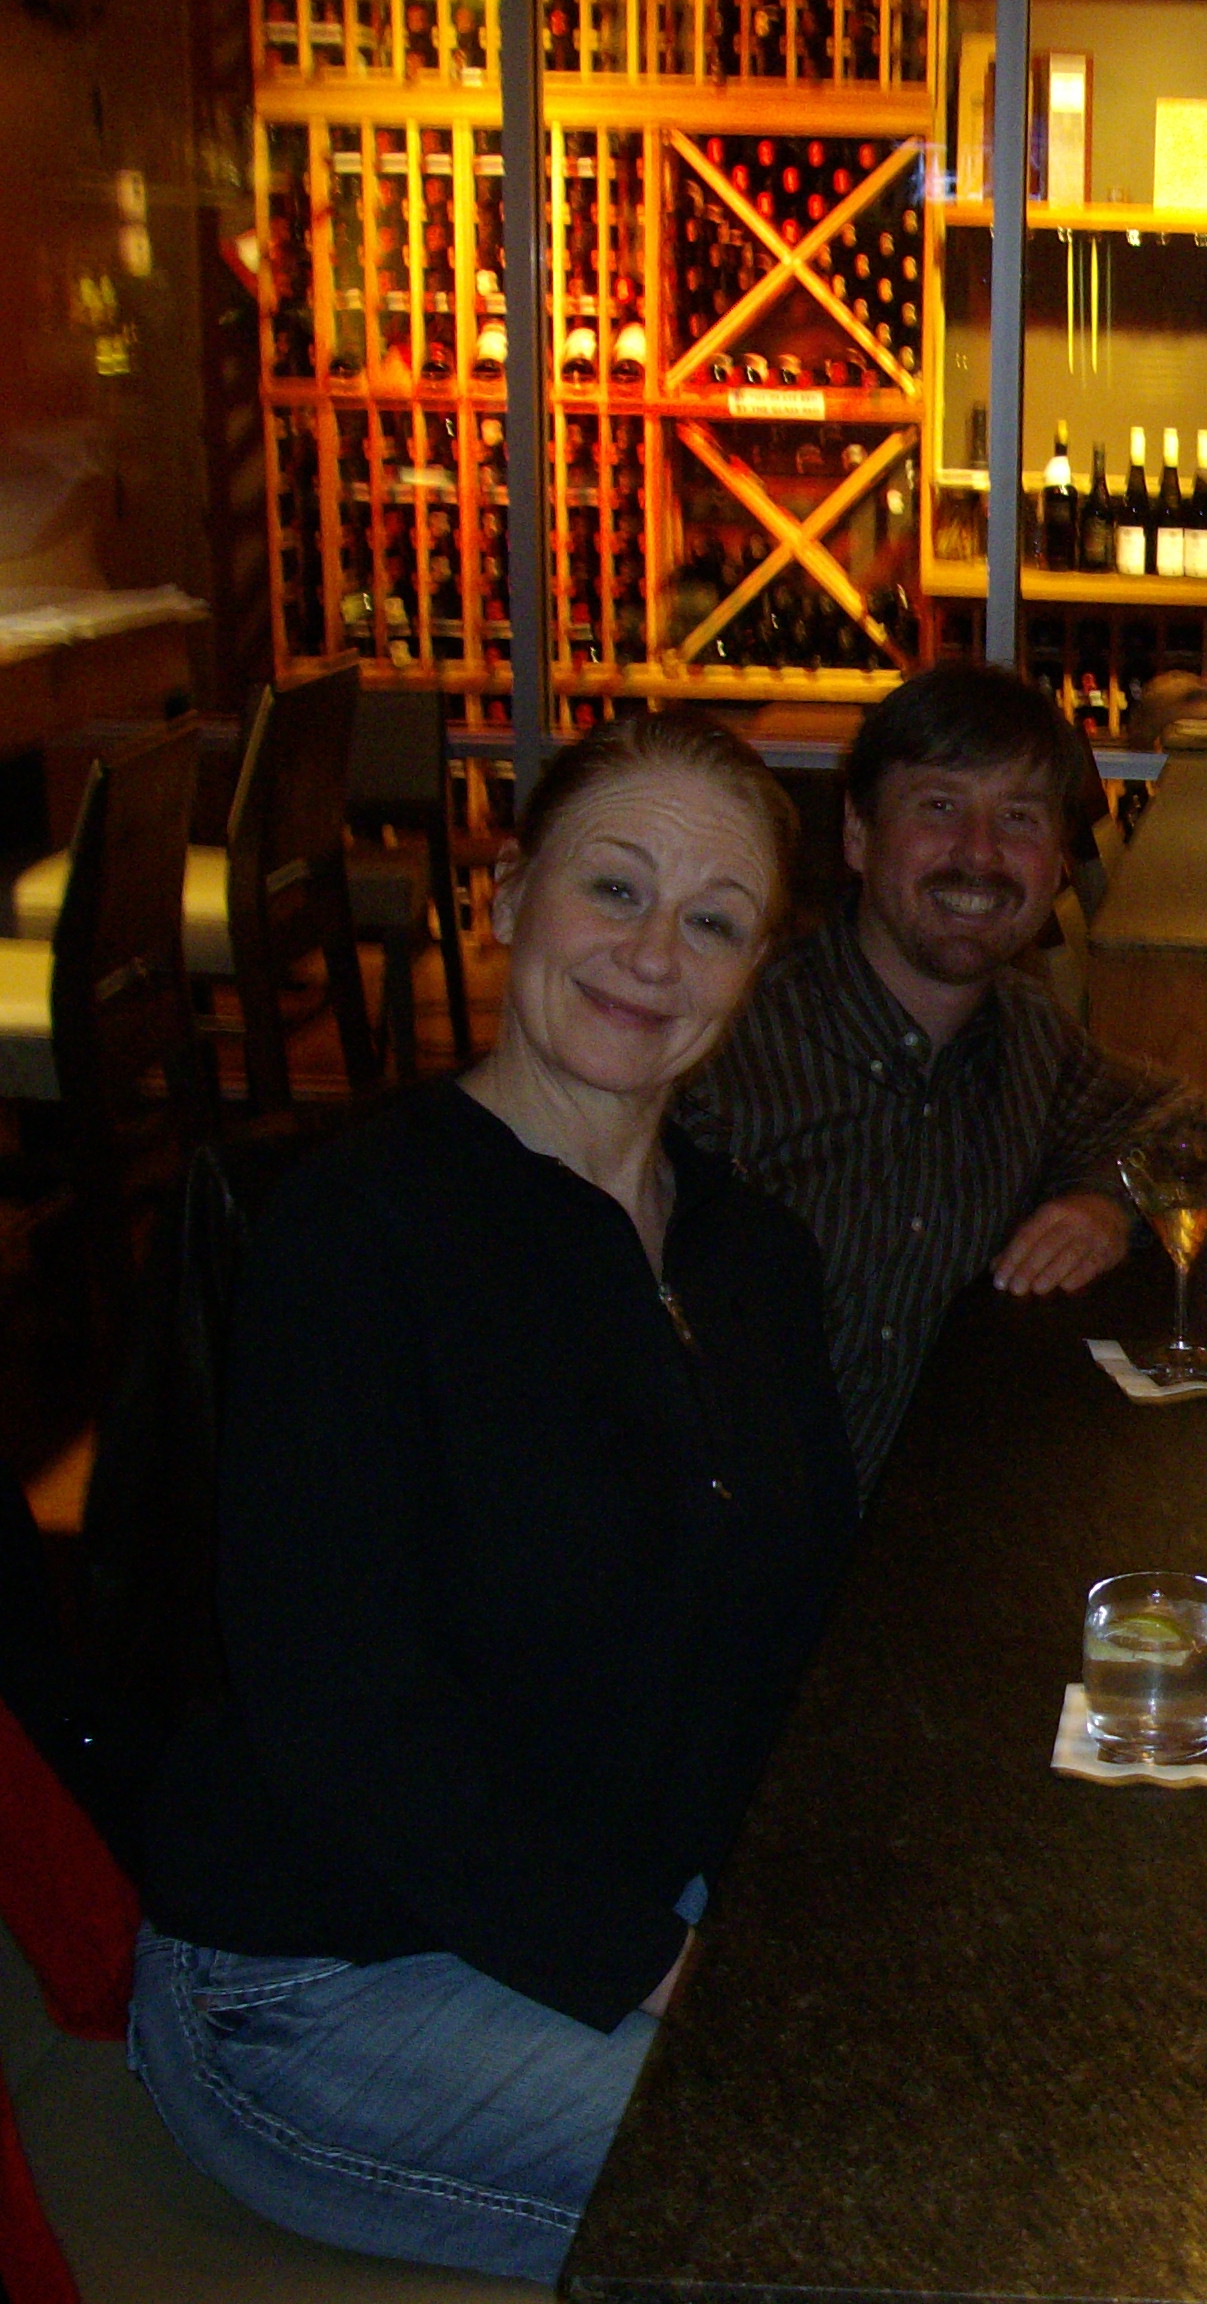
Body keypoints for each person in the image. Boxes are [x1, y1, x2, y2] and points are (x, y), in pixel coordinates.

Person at [127, 712, 860, 2282]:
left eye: (714, 922)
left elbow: (796, 1642)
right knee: (843, 2185)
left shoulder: (752, 1260)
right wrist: (676, 1970)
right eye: (614, 890)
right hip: (325, 1975)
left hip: (616, 1905)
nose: (653, 953)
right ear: (507, 897)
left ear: (756, 977)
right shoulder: (363, 1238)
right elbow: (343, 1724)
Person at [682, 663, 1202, 1493]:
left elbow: (1176, 1118)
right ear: (856, 834)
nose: (980, 854)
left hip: (938, 1542)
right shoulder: (724, 1054)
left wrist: (1108, 1205)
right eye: (939, 807)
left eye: (1020, 819)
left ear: (1057, 863)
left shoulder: (1031, 1041)